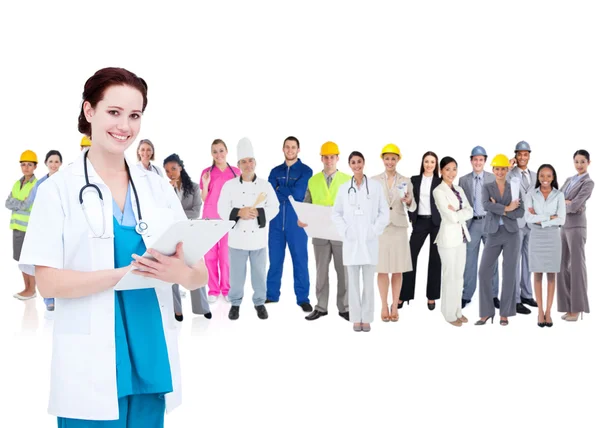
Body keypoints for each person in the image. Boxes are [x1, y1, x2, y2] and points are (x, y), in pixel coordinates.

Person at [18, 67, 208, 425]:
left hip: (151, 350)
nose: (125, 126)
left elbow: (199, 275)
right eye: (114, 112)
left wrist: (179, 272)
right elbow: (48, 283)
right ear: (89, 112)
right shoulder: (57, 190)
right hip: (90, 362)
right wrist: (123, 274)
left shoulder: (155, 187)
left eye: (134, 116)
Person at [218, 137, 279, 320]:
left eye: (250, 161)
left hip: (258, 239)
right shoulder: (229, 186)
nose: (247, 164)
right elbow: (222, 209)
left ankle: (259, 302)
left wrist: (259, 212)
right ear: (238, 165)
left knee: (259, 274)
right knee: (236, 276)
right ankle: (235, 303)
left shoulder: (264, 185)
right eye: (243, 162)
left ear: (255, 163)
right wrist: (239, 212)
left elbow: (274, 207)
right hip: (237, 239)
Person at [332, 151, 389, 332]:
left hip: (370, 241)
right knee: (354, 284)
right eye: (353, 162)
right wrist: (346, 231)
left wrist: (374, 230)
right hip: (351, 242)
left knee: (369, 284)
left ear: (364, 163)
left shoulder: (375, 186)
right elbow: (336, 213)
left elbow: (384, 212)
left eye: (359, 162)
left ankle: (368, 318)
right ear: (349, 165)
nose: (356, 165)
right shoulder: (343, 188)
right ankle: (356, 318)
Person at [300, 141, 351, 322]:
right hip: (320, 233)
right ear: (321, 158)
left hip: (340, 234)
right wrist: (302, 218)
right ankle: (321, 307)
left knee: (343, 272)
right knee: (321, 272)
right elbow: (306, 203)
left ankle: (345, 308)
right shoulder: (313, 180)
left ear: (337, 158)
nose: (329, 160)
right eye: (326, 157)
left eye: (332, 157)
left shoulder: (347, 179)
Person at [265, 136, 314, 313]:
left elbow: (299, 194)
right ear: (283, 149)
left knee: (300, 261)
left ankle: (303, 299)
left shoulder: (306, 171)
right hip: (276, 222)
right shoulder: (275, 170)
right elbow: (269, 193)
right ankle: (271, 294)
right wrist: (282, 191)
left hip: (297, 223)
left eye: (293, 147)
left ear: (298, 150)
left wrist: (280, 189)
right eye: (287, 147)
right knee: (274, 260)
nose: (290, 150)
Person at [476, 154, 524, 327]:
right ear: (493, 170)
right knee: (483, 272)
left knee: (510, 273)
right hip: (494, 233)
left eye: (503, 168)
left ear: (507, 170)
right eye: (497, 168)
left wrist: (500, 208)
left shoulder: (514, 187)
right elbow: (485, 205)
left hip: (512, 234)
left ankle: (505, 313)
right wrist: (506, 208)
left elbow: (520, 212)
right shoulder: (487, 187)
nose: (500, 171)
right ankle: (486, 312)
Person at [164, 153, 212, 322]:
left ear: (180, 168)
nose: (171, 173)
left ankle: (202, 307)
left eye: (174, 169)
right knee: (172, 270)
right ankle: (177, 310)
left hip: (190, 233)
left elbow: (196, 211)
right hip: (172, 233)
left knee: (196, 266)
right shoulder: (164, 189)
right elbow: (163, 213)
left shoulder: (193, 187)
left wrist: (176, 215)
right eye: (168, 170)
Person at [371, 144, 416, 323]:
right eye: (387, 158)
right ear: (383, 159)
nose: (390, 161)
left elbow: (412, 206)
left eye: (393, 158)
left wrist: (408, 200)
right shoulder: (373, 180)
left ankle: (395, 306)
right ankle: (383, 305)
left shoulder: (406, 180)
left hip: (398, 227)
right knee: (382, 269)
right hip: (381, 228)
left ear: (398, 160)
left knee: (397, 270)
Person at [524, 164, 566, 328]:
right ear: (538, 177)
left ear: (553, 177)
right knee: (537, 273)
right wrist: (550, 216)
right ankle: (540, 311)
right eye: (542, 176)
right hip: (536, 236)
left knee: (551, 275)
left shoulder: (559, 195)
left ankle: (549, 311)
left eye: (549, 176)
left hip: (553, 237)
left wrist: (540, 217)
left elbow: (562, 219)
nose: (545, 179)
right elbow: (528, 217)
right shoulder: (531, 194)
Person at [433, 157, 473, 326]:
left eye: (454, 169)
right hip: (448, 240)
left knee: (459, 277)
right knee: (449, 277)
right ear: (441, 171)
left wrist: (458, 211)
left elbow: (470, 211)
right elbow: (449, 217)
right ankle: (448, 314)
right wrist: (458, 212)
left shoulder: (458, 189)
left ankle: (457, 311)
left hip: (462, 237)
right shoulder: (439, 191)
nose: (451, 173)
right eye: (447, 169)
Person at [458, 146, 499, 309]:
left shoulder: (492, 178)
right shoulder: (463, 180)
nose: (478, 162)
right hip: (472, 223)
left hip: (489, 222)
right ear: (471, 161)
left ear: (485, 161)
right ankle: (467, 294)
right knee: (469, 262)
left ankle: (494, 294)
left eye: (481, 160)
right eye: (475, 159)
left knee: (492, 260)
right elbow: (460, 202)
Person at [200, 139, 240, 303]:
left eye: (221, 150)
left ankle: (226, 289)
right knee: (210, 256)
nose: (219, 154)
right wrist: (206, 183)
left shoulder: (236, 172)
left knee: (226, 256)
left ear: (226, 151)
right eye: (215, 151)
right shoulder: (206, 172)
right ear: (212, 154)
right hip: (209, 217)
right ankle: (213, 290)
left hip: (228, 219)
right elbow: (203, 198)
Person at [400, 151, 442, 310]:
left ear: (436, 164)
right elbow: (409, 199)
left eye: (432, 162)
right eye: (426, 161)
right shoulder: (414, 180)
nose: (429, 165)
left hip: (436, 223)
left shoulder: (440, 181)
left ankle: (432, 296)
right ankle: (404, 294)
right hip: (420, 222)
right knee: (409, 257)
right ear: (422, 163)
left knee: (435, 259)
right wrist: (412, 217)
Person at [558, 150, 594, 322]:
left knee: (577, 267)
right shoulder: (568, 180)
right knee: (561, 265)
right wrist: (565, 203)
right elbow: (555, 200)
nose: (579, 165)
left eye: (582, 162)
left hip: (577, 227)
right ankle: (567, 306)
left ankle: (577, 309)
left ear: (588, 162)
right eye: (576, 161)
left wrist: (567, 204)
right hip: (563, 226)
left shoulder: (588, 183)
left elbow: (575, 206)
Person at [27, 150, 63, 311]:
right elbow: (33, 206)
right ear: (46, 163)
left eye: (56, 161)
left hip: (63, 226)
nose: (54, 164)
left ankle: (61, 293)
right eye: (51, 161)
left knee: (62, 262)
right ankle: (49, 297)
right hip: (45, 227)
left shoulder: (65, 180)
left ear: (60, 163)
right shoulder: (40, 184)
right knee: (46, 262)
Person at [507, 140, 538, 314]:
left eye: (525, 154)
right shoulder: (510, 174)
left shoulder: (535, 175)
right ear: (515, 155)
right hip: (516, 223)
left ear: (529, 156)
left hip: (531, 223)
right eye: (519, 154)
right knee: (514, 261)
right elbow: (498, 182)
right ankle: (515, 299)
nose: (522, 157)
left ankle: (526, 294)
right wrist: (508, 167)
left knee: (528, 260)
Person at [6, 150, 38, 300]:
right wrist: (20, 203)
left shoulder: (36, 185)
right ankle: (27, 288)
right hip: (17, 228)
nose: (26, 167)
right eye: (23, 164)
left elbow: (26, 205)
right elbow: (7, 202)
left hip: (29, 228)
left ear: (35, 167)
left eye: (29, 165)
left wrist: (17, 203)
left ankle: (31, 289)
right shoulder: (17, 183)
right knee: (21, 259)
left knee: (29, 260)